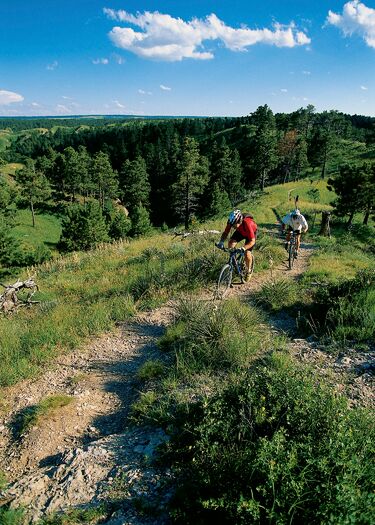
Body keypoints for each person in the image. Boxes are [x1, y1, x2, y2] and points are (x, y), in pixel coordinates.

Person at [217, 209, 257, 282]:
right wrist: (221, 242)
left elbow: (252, 241)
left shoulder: (248, 223)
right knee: (231, 243)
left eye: (235, 225)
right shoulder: (231, 222)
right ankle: (234, 262)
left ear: (240, 221)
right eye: (232, 225)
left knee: (247, 253)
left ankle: (248, 271)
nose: (233, 227)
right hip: (241, 232)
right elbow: (226, 232)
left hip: (250, 234)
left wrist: (243, 248)